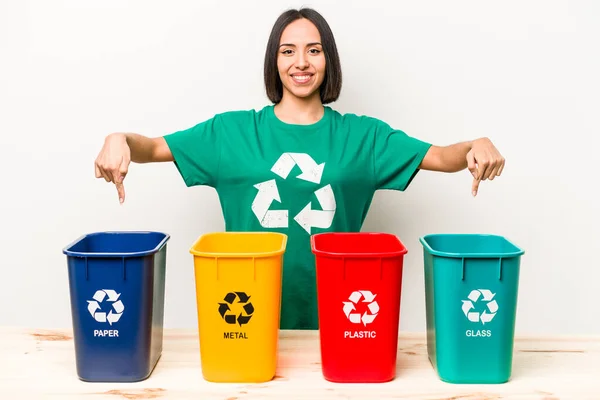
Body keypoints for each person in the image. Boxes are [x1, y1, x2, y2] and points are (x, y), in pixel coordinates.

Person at [94, 7, 505, 330]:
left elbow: (442, 157)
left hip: (344, 315)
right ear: (274, 61)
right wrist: (120, 139)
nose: (301, 62)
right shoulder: (230, 132)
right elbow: (151, 147)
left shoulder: (364, 137)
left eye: (314, 49)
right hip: (244, 315)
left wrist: (475, 145)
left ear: (328, 58)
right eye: (287, 50)